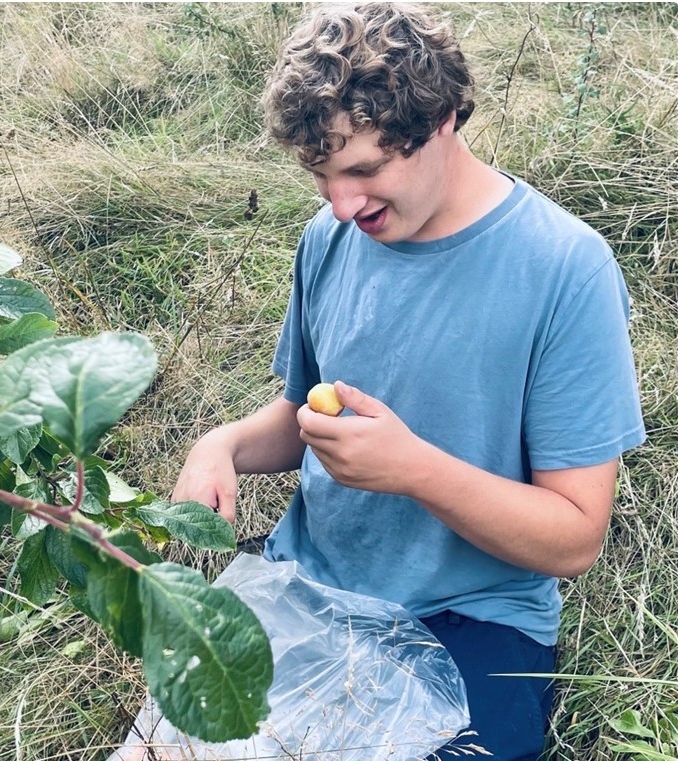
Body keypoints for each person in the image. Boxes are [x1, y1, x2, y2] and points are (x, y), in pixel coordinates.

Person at [171, 3, 646, 759]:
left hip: (475, 620)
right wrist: (219, 443)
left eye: (364, 169)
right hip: (310, 583)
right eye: (320, 175)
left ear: (445, 119)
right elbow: (301, 416)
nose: (340, 204)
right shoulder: (327, 241)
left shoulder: (563, 269)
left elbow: (573, 536)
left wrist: (415, 471)